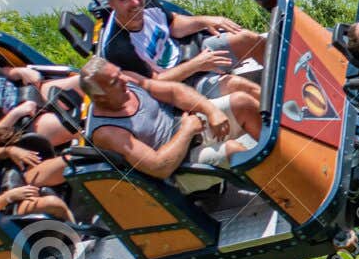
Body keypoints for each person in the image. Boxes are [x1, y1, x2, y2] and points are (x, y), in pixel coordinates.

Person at [79, 56, 261, 179]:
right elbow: (159, 167)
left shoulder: (128, 80)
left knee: (242, 103)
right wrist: (187, 130)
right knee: (233, 151)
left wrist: (210, 110)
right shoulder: (107, 132)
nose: (124, 80)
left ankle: (282, 158)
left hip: (190, 124)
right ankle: (277, 190)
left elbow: (174, 92)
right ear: (99, 97)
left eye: (119, 73)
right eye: (114, 82)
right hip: (179, 164)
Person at [97, 0, 264, 99]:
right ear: (112, 5)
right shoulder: (117, 48)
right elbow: (154, 84)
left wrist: (206, 20)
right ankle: (279, 122)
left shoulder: (145, 1)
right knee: (240, 86)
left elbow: (174, 24)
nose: (135, 2)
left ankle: (286, 88)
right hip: (182, 83)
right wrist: (196, 65)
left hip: (195, 53)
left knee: (248, 38)